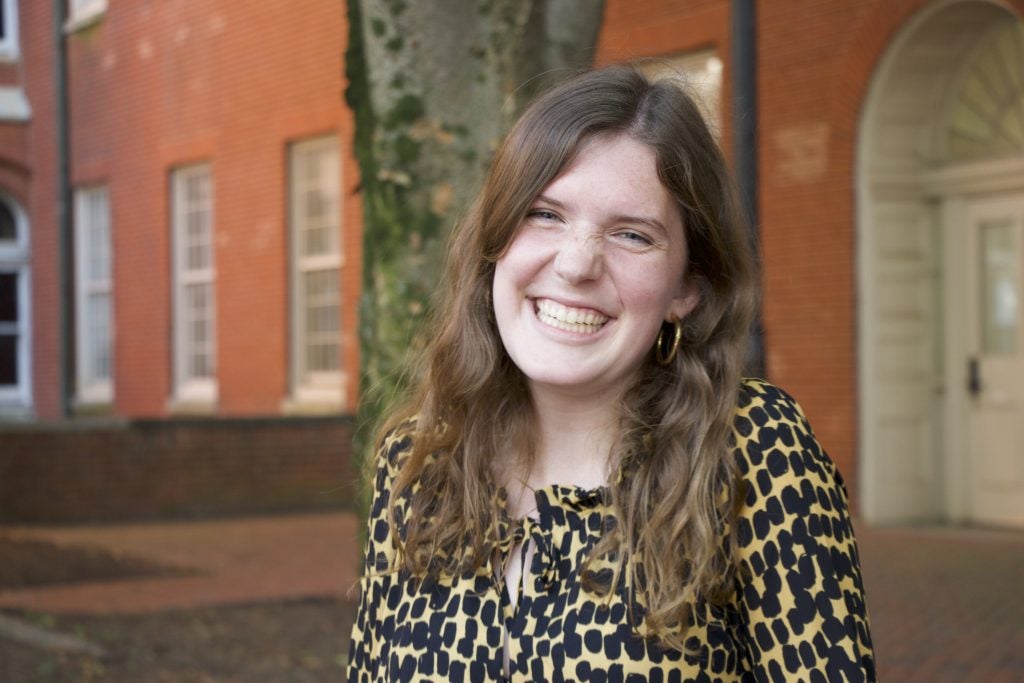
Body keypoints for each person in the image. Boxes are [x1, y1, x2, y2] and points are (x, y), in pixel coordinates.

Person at [347, 64, 875, 682]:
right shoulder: (418, 460)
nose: (576, 264)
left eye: (631, 234)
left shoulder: (751, 449)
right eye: (544, 214)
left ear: (688, 288)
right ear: (495, 243)